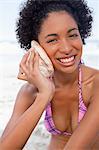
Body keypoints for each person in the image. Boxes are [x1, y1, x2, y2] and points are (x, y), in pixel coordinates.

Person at [0, 0, 99, 149]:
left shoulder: (95, 85)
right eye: (52, 40)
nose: (66, 48)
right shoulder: (30, 92)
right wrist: (44, 95)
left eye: (72, 35)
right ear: (36, 47)